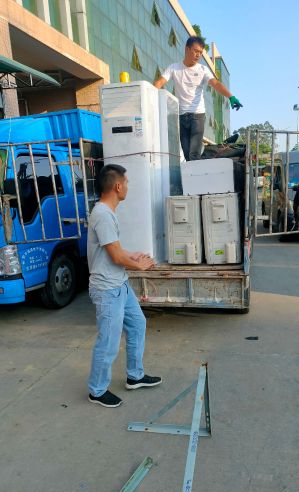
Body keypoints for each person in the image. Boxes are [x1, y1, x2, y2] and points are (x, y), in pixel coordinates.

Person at [87, 164, 162, 408]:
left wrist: (134, 255)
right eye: (126, 183)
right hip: (107, 290)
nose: (128, 186)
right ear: (118, 186)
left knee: (138, 324)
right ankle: (97, 390)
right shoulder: (102, 215)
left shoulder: (108, 212)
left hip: (120, 284)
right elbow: (116, 257)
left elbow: (115, 250)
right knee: (108, 343)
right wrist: (140, 265)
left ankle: (135, 376)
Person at [154, 36, 243, 161]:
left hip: (197, 115)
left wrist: (231, 96)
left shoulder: (203, 69)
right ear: (187, 49)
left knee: (194, 155)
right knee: (187, 155)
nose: (198, 55)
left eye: (200, 52)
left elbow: (215, 83)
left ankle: (201, 170)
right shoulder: (174, 68)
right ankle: (201, 169)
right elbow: (159, 82)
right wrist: (150, 95)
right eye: (196, 51)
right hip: (181, 115)